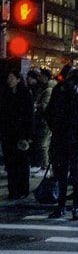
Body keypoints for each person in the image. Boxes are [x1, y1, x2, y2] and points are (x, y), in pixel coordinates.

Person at [46, 69, 78, 220]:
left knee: (76, 177)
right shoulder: (63, 101)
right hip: (63, 142)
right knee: (63, 177)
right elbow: (50, 115)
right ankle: (63, 207)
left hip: (75, 144)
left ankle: (75, 207)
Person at [0, 68, 34, 199]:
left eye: (12, 78)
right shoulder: (5, 94)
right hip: (8, 134)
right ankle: (12, 190)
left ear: (18, 79)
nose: (10, 81)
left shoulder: (25, 94)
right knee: (10, 163)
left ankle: (23, 189)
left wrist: (29, 136)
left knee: (22, 163)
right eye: (8, 78)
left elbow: (29, 116)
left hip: (21, 135)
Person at [27, 68, 57, 178]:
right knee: (39, 143)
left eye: (42, 76)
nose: (40, 78)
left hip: (45, 121)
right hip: (41, 120)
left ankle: (45, 167)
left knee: (43, 144)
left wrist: (37, 105)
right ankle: (40, 165)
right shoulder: (43, 88)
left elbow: (45, 106)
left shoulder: (48, 89)